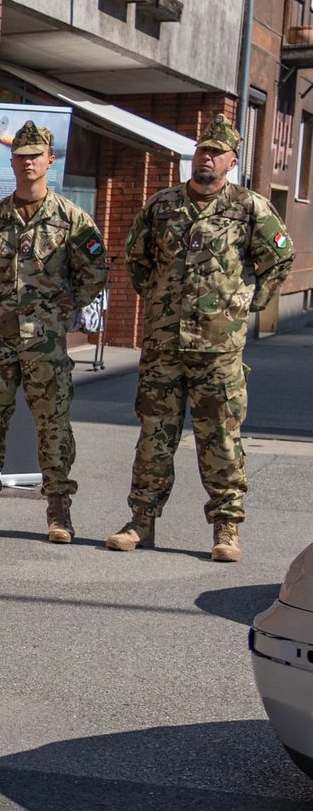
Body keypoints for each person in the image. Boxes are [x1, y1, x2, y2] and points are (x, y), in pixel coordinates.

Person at [107, 117, 294, 561]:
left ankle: (226, 528)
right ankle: (141, 521)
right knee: (154, 437)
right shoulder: (161, 206)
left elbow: (280, 259)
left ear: (231, 161)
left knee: (221, 439)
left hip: (219, 349)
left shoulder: (249, 208)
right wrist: (159, 301)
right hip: (164, 347)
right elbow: (137, 258)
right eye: (202, 150)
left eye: (216, 152)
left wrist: (245, 303)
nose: (206, 158)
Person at [0, 120, 106, 542]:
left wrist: (59, 308)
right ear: (13, 162)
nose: (27, 163)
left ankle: (59, 512)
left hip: (46, 344)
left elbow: (95, 273)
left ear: (50, 160)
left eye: (35, 156)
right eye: (20, 157)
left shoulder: (72, 219)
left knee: (53, 425)